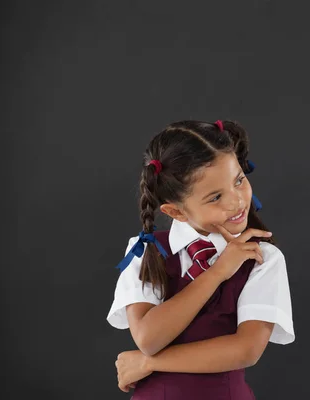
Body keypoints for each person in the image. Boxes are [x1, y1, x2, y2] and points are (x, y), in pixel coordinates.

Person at [106, 119, 295, 399]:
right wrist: (217, 272)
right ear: (176, 212)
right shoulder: (146, 251)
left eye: (239, 180)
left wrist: (150, 363)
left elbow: (246, 350)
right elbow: (148, 337)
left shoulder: (262, 258)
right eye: (216, 197)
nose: (237, 202)